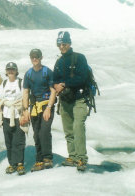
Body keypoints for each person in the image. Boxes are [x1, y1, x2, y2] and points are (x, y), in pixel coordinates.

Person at [53, 31, 89, 172]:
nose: (62, 46)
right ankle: (72, 156)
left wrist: (64, 84)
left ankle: (81, 158)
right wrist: (56, 85)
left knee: (78, 127)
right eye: (60, 44)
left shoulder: (79, 58)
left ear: (69, 43)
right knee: (68, 130)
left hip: (79, 99)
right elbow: (54, 78)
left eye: (64, 44)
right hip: (65, 100)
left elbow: (82, 78)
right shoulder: (59, 61)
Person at [21, 49, 57, 172]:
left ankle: (47, 158)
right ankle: (39, 159)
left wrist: (49, 108)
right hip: (34, 107)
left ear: (41, 57)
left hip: (46, 105)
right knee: (36, 133)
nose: (34, 59)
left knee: (44, 132)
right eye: (32, 57)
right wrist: (25, 109)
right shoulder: (28, 74)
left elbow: (53, 91)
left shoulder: (47, 72)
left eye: (36, 56)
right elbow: (26, 92)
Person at [0, 62, 26, 176]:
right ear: (6, 71)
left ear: (16, 71)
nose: (11, 71)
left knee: (18, 140)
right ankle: (12, 163)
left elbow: (25, 98)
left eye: (13, 69)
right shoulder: (4, 84)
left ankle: (20, 163)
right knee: (9, 141)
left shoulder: (21, 82)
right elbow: (0, 101)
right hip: (7, 116)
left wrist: (24, 114)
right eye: (9, 69)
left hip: (18, 115)